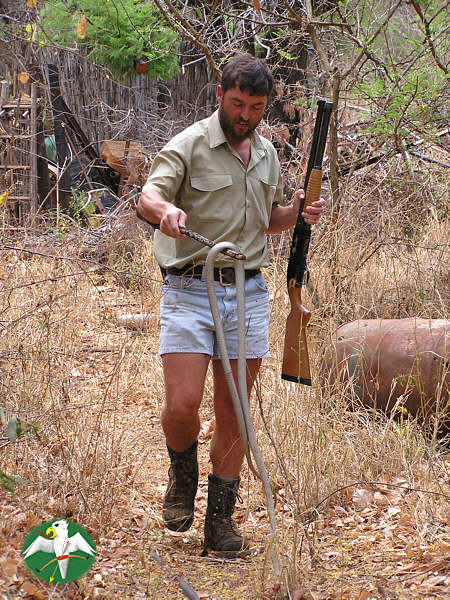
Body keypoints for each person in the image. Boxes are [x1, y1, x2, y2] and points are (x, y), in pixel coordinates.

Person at [137, 54, 325, 557]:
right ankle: (182, 472)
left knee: (235, 412)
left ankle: (219, 522)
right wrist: (166, 211)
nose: (244, 115)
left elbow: (266, 221)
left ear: (266, 109)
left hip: (247, 291)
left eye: (255, 107)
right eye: (237, 103)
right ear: (220, 95)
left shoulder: (267, 155)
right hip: (190, 287)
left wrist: (298, 214)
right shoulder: (190, 144)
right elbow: (148, 197)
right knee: (182, 406)